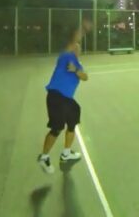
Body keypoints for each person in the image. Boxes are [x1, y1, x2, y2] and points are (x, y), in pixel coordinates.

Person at [38, 27, 88, 174]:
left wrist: (76, 70)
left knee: (73, 121)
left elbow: (85, 77)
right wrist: (80, 31)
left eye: (79, 47)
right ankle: (44, 157)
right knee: (57, 128)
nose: (77, 48)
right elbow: (73, 41)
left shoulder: (78, 65)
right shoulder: (65, 57)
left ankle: (66, 153)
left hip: (67, 100)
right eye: (75, 45)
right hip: (56, 96)